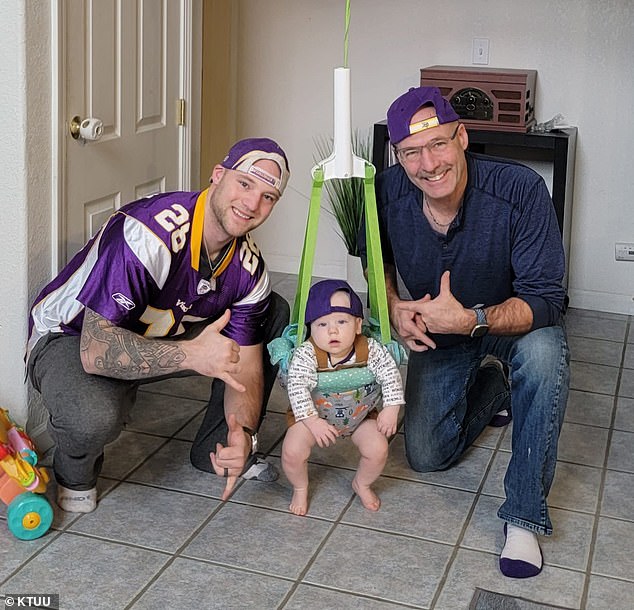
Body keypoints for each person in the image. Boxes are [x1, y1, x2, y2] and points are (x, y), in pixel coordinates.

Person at [359, 87, 570, 579]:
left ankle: (522, 518)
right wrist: (392, 307)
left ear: (462, 137)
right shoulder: (384, 191)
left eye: (438, 144)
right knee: (427, 455)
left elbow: (546, 300)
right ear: (397, 156)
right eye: (411, 152)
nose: (428, 164)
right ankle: (496, 386)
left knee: (545, 356)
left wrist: (472, 318)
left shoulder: (519, 189)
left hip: (513, 324)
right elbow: (376, 257)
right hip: (442, 330)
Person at [26, 137, 291, 512]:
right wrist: (190, 354)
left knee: (272, 310)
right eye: (245, 184)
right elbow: (96, 350)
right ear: (218, 176)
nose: (252, 204)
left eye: (268, 197)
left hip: (152, 333)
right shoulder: (148, 232)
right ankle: (75, 473)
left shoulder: (249, 267)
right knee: (92, 416)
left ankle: (219, 448)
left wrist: (243, 432)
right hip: (73, 336)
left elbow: (245, 367)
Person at [282, 279, 404, 516]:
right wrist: (312, 421)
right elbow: (296, 387)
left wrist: (391, 407)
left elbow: (390, 375)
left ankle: (362, 483)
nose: (332, 330)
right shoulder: (306, 354)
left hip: (359, 416)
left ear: (358, 325)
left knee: (378, 449)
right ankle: (300, 486)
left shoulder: (370, 349)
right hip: (312, 418)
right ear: (310, 328)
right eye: (322, 324)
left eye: (341, 321)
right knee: (292, 451)